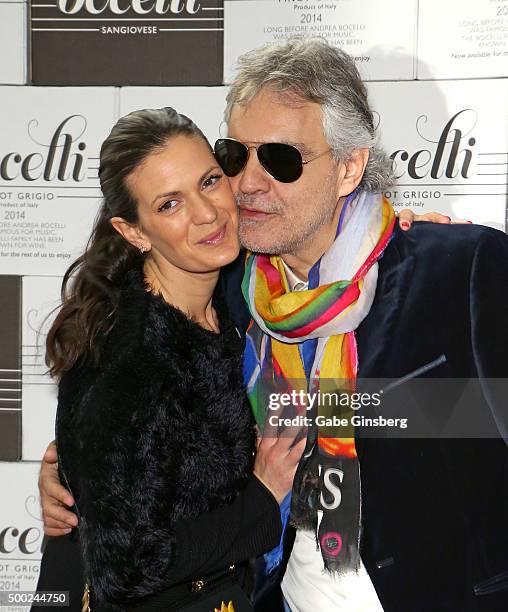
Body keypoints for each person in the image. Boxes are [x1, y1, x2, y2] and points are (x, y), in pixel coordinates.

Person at [38, 38, 504, 612]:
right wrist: (75, 478)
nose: (248, 184)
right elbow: (145, 434)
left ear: (349, 167)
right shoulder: (228, 292)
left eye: (281, 159)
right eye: (235, 156)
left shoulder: (460, 267)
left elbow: (470, 417)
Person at [36, 107, 308, 612]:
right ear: (134, 232)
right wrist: (262, 499)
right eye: (169, 204)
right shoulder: (131, 358)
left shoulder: (234, 288)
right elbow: (126, 566)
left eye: (209, 181)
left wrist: (403, 235)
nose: (206, 214)